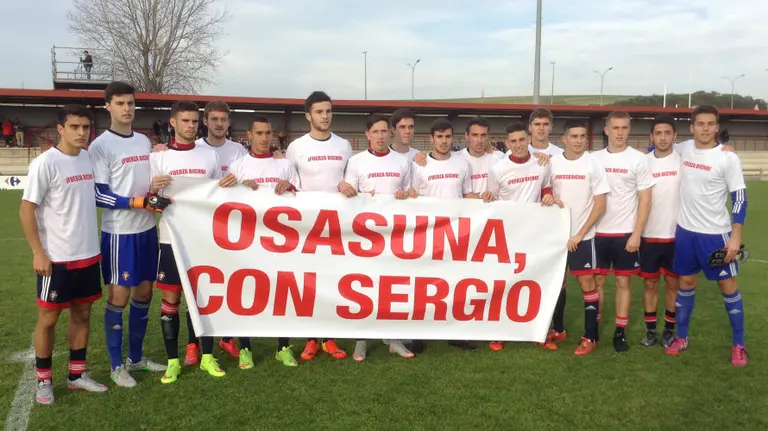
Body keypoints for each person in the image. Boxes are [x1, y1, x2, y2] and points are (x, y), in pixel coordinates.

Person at [20, 105, 109, 405]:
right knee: (48, 318)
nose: (81, 132)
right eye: (74, 127)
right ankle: (44, 380)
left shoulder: (87, 157)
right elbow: (26, 209)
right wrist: (38, 252)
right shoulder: (45, 163)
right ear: (60, 128)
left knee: (83, 314)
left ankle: (77, 375)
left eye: (85, 127)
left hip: (88, 254)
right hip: (56, 258)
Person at [89, 81, 168, 387]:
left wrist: (153, 190)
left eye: (131, 103)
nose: (126, 109)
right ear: (108, 106)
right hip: (120, 233)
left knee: (145, 293)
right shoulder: (100, 146)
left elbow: (147, 185)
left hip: (147, 230)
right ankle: (115, 364)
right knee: (118, 296)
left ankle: (136, 358)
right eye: (120, 103)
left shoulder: (144, 141)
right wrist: (136, 202)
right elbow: (100, 195)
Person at [151, 100, 234, 383]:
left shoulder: (208, 156)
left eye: (194, 122)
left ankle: (207, 357)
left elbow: (217, 197)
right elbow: (148, 199)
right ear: (173, 123)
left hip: (202, 238)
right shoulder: (158, 157)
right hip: (170, 237)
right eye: (185, 121)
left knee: (203, 297)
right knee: (171, 297)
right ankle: (173, 361)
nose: (191, 126)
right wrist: (154, 192)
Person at [665, 105, 749, 367]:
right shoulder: (683, 149)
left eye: (710, 124)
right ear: (692, 127)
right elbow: (656, 152)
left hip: (716, 235)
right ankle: (682, 337)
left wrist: (735, 238)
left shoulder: (727, 158)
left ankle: (739, 345)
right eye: (700, 124)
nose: (705, 128)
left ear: (716, 127)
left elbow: (740, 199)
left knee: (729, 288)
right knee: (686, 285)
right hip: (686, 232)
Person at [341, 114, 415, 361]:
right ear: (368, 135)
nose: (381, 136)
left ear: (390, 134)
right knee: (362, 287)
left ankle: (393, 339)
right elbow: (348, 192)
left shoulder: (402, 162)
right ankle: (361, 341)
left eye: (385, 131)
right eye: (376, 131)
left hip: (394, 236)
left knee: (392, 287)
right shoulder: (356, 161)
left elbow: (411, 192)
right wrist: (350, 191)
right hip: (365, 236)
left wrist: (408, 194)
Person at [227, 115, 300, 367]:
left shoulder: (285, 165)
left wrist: (289, 184)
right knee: (246, 291)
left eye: (268, 133)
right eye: (259, 133)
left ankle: (283, 347)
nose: (264, 138)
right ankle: (245, 347)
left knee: (283, 291)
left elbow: (303, 200)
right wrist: (238, 187)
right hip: (249, 241)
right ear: (249, 135)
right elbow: (223, 201)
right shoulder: (238, 166)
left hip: (281, 241)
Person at [481, 120, 560, 351]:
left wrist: (547, 195)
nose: (518, 145)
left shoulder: (541, 163)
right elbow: (492, 200)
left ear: (528, 139)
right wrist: (487, 198)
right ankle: (499, 332)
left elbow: (546, 188)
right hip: (508, 235)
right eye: (513, 141)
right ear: (507, 143)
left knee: (537, 283)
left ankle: (540, 331)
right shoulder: (498, 169)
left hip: (535, 234)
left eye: (522, 140)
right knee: (504, 283)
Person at [286, 91, 351, 361]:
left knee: (333, 282)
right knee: (309, 284)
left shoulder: (344, 146)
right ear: (308, 116)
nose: (325, 116)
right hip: (307, 227)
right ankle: (311, 339)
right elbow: (288, 182)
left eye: (328, 111)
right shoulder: (296, 148)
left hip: (337, 226)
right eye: (319, 112)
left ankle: (330, 338)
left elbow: (351, 182)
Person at [183, 100, 248, 366]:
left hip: (232, 228)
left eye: (224, 119)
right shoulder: (194, 149)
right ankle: (192, 343)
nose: (219, 124)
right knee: (197, 287)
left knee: (233, 284)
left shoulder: (240, 151)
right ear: (205, 122)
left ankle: (228, 338)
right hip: (198, 228)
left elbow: (249, 181)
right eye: (214, 119)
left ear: (229, 122)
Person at [408, 118, 477, 351]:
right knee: (424, 284)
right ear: (431, 139)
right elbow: (411, 197)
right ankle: (418, 333)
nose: (444, 141)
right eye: (440, 137)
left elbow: (467, 195)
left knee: (455, 284)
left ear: (452, 138)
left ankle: (455, 331)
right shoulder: (418, 164)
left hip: (456, 233)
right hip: (428, 234)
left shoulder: (461, 164)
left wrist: (489, 201)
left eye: (448, 137)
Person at [591, 111, 654, 352]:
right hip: (597, 232)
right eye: (615, 128)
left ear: (629, 130)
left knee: (622, 282)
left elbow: (645, 199)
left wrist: (637, 233)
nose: (619, 132)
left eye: (624, 128)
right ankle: (593, 327)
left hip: (625, 233)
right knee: (597, 282)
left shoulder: (638, 159)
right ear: (606, 130)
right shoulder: (593, 158)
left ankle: (620, 332)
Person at [547, 119, 610, 355]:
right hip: (557, 237)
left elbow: (600, 205)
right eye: (574, 136)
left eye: (583, 136)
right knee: (556, 284)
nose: (579, 140)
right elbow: (544, 192)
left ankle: (590, 337)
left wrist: (580, 233)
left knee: (587, 286)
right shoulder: (552, 164)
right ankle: (559, 329)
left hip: (583, 238)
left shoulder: (593, 165)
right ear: (564, 139)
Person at [639, 114, 680, 348]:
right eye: (658, 133)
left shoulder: (683, 161)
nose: (663, 138)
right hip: (649, 235)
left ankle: (669, 331)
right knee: (649, 284)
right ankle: (651, 331)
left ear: (674, 136)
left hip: (676, 236)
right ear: (651, 136)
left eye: (667, 133)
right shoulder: (643, 162)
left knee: (673, 285)